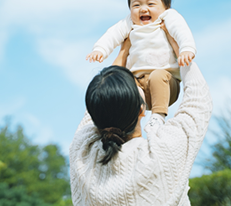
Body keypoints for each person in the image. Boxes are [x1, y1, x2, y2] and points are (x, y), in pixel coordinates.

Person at [69, 61, 212, 205]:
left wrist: (123, 54)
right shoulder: (162, 152)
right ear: (141, 110)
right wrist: (182, 51)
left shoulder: (81, 156)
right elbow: (198, 101)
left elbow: (100, 101)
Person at [86, 0, 197, 121]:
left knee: (158, 76)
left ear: (165, 6)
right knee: (125, 84)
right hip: (138, 82)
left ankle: (157, 117)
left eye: (151, 4)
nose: (143, 9)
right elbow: (113, 34)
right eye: (136, 5)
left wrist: (186, 49)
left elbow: (181, 30)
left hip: (166, 83)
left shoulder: (167, 18)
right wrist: (100, 49)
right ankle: (132, 119)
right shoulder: (130, 23)